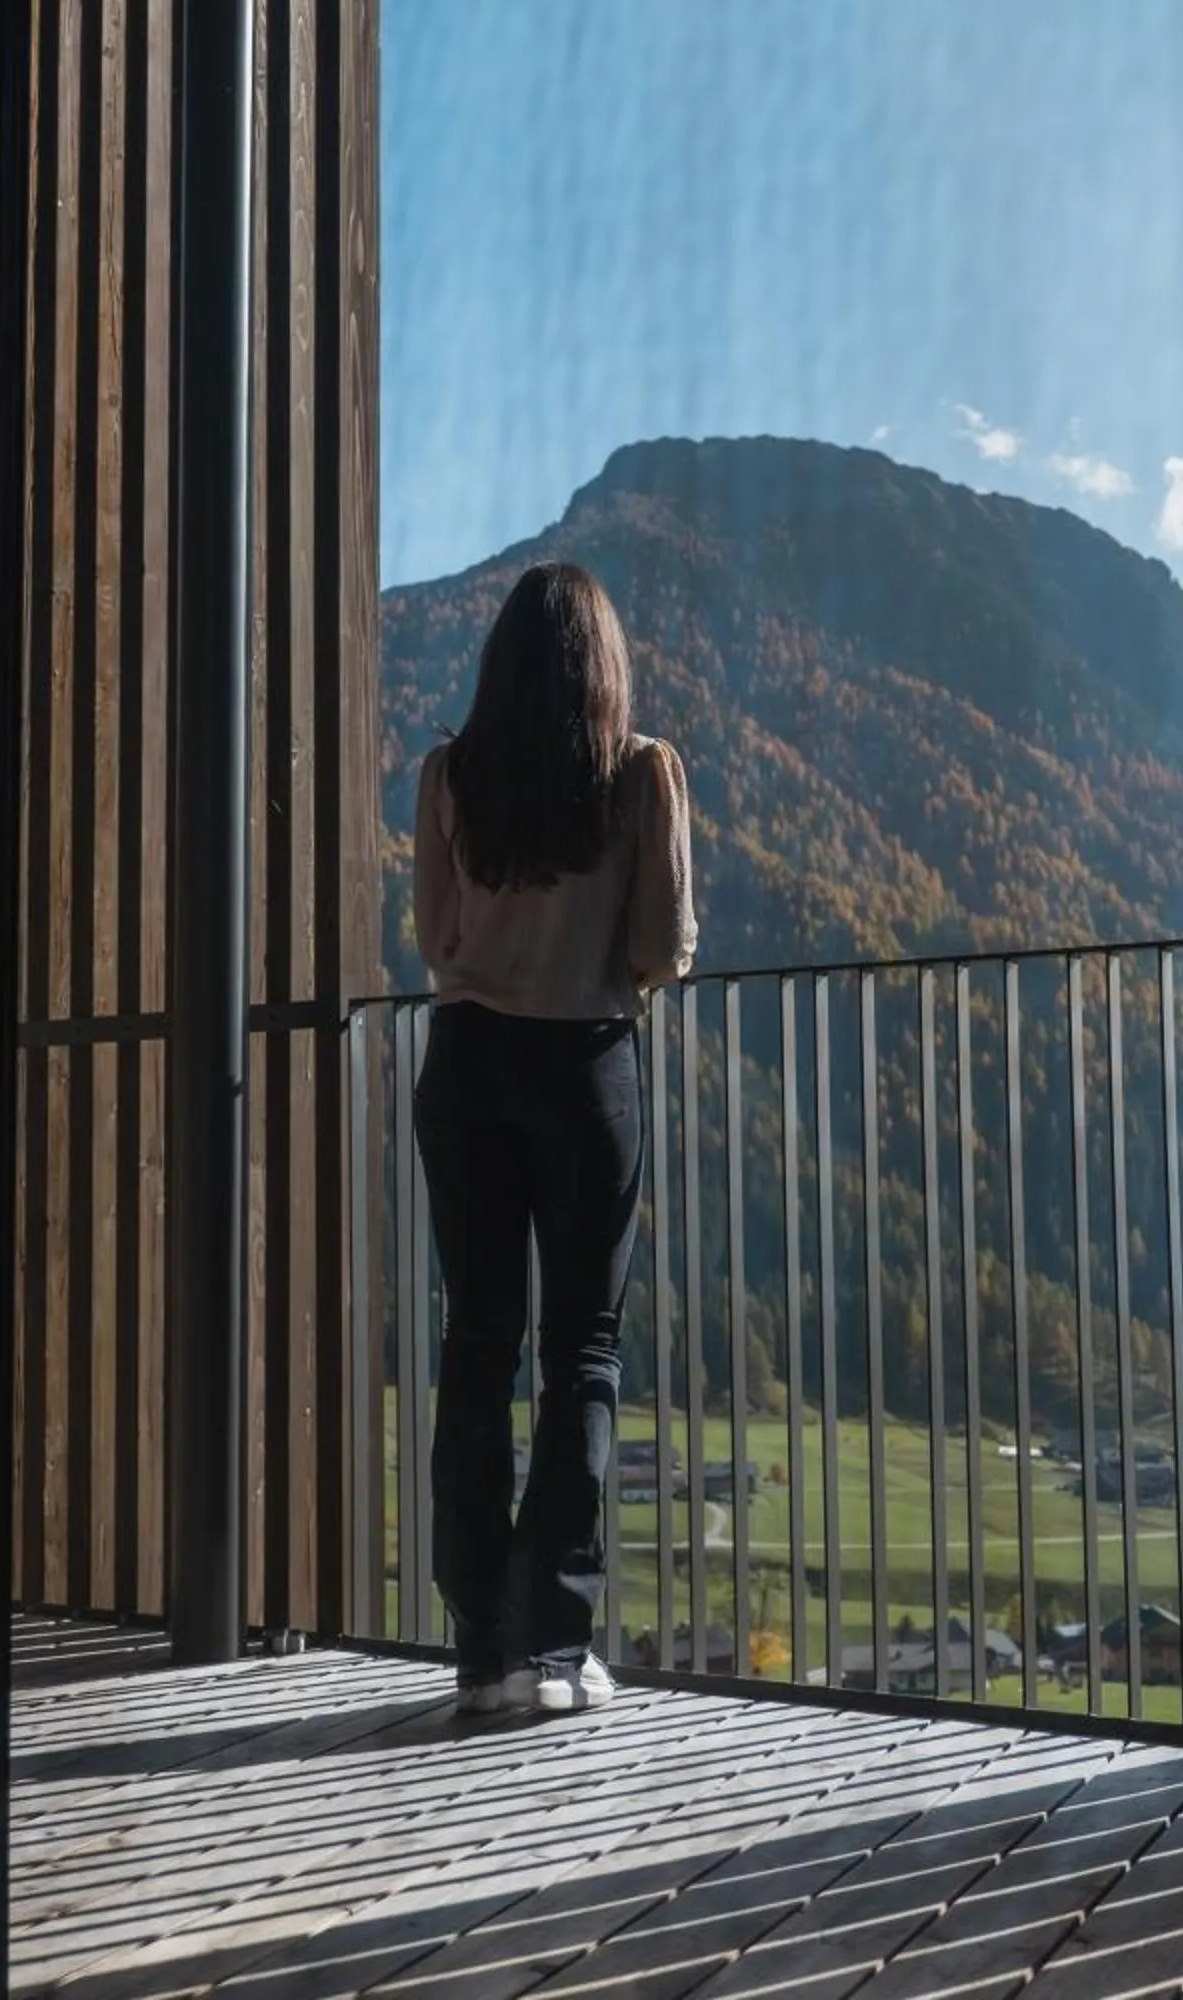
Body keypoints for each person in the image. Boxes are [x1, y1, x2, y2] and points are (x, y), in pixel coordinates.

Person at [412, 560, 696, 1715]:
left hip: (466, 1062)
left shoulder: (448, 775)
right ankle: (559, 1645)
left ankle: (479, 1644)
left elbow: (435, 938)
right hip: (584, 1066)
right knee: (582, 1348)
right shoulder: (640, 777)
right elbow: (662, 945)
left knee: (479, 1341)